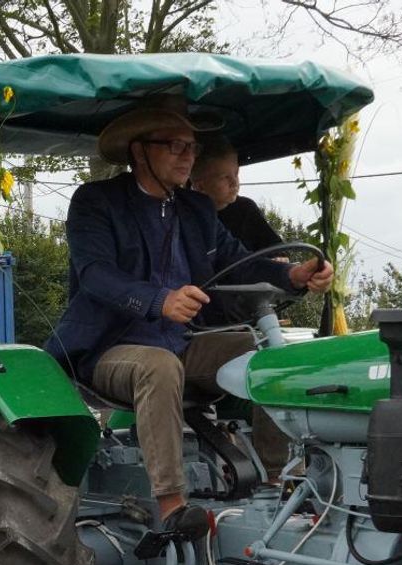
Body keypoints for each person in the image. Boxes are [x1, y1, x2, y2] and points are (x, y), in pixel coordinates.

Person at [46, 96, 332, 538]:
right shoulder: (97, 201)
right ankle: (172, 505)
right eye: (175, 146)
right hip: (108, 348)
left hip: (181, 341)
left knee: (264, 354)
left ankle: (275, 481)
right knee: (157, 366)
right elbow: (96, 274)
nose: (187, 156)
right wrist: (159, 300)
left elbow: (238, 261)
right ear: (139, 151)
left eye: (192, 148)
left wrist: (292, 275)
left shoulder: (195, 209)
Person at [190, 136, 290, 327]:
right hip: (205, 318)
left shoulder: (246, 209)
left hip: (251, 311)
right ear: (200, 186)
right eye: (225, 177)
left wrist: (282, 264)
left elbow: (274, 251)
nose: (235, 183)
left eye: (236, 173)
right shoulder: (187, 218)